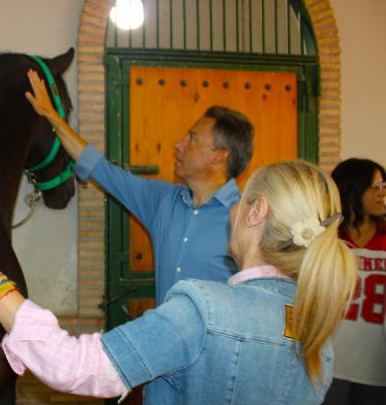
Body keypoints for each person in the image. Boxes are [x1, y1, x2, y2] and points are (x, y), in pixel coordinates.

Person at [0, 159, 356, 405]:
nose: (233, 210)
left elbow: (73, 366)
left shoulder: (204, 310)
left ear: (257, 211)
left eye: (244, 201)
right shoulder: (318, 329)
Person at [24, 69, 254, 305]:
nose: (178, 145)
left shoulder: (249, 220)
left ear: (220, 157)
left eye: (192, 139)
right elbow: (99, 168)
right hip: (166, 340)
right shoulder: (162, 200)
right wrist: (52, 117)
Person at [315, 158, 386, 405]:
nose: (382, 191)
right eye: (374, 185)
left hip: (377, 366)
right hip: (330, 365)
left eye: (383, 184)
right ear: (352, 188)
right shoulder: (327, 236)